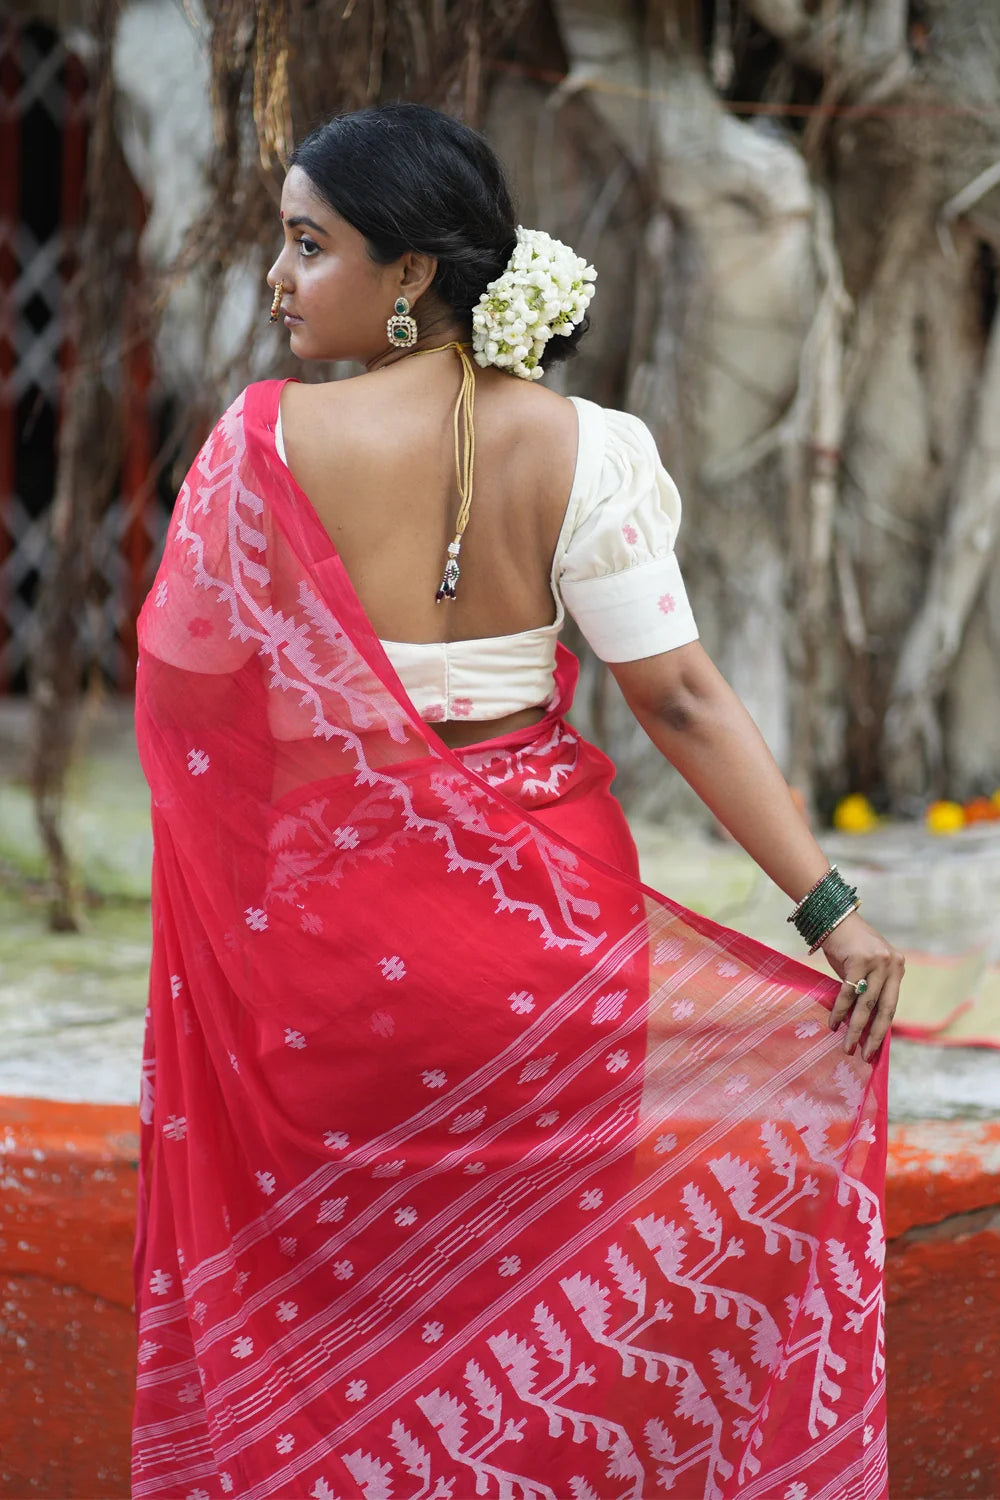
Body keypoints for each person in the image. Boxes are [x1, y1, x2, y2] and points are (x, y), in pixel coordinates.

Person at [131, 103, 901, 1500]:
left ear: (411, 271)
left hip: (334, 954)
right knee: (546, 1305)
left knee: (333, 1309)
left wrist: (320, 817)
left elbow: (188, 698)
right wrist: (828, 905)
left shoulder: (258, 451)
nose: (280, 278)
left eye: (311, 245)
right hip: (548, 938)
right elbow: (677, 697)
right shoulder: (583, 446)